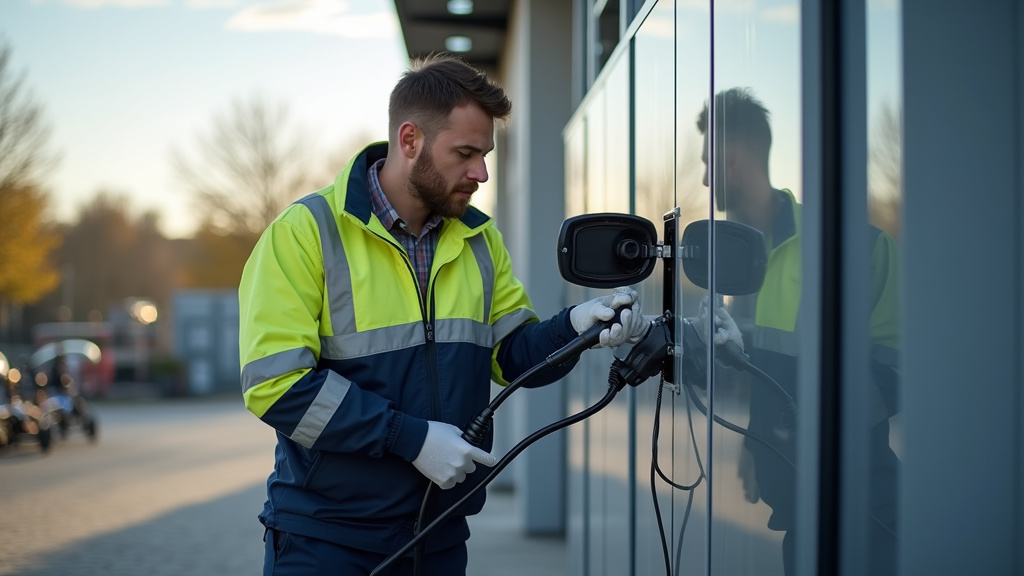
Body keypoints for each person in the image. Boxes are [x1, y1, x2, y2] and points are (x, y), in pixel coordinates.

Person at [237, 53, 650, 576]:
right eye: (465, 153)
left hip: (440, 538)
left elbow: (513, 355)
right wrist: (409, 438)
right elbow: (276, 383)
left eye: (486, 155)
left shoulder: (479, 239)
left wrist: (576, 327)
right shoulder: (305, 234)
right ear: (410, 141)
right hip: (326, 542)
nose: (480, 172)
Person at [685, 87, 901, 575]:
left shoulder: (858, 248)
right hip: (798, 514)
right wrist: (759, 438)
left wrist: (799, 428)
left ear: (733, 160)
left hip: (864, 510)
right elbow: (765, 364)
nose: (703, 177)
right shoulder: (739, 265)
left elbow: (894, 375)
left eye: (707, 162)